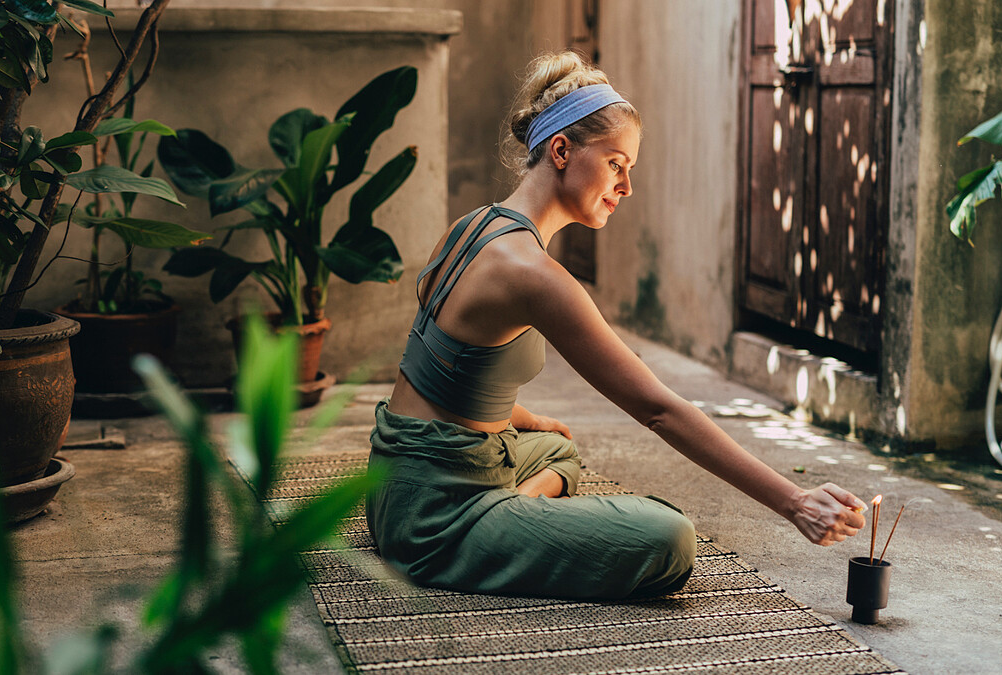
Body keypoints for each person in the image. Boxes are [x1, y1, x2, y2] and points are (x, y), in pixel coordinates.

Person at [365, 51, 867, 600]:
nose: (625, 186)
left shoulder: (472, 227)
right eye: (615, 164)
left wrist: (526, 418)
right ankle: (491, 525)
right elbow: (659, 409)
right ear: (561, 150)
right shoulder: (535, 275)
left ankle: (508, 515)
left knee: (559, 448)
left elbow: (438, 364)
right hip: (433, 520)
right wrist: (794, 502)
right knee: (668, 539)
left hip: (391, 481)